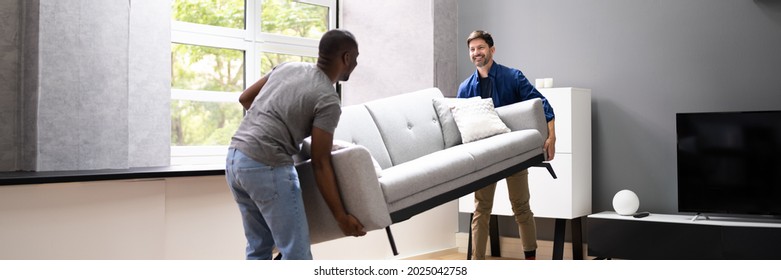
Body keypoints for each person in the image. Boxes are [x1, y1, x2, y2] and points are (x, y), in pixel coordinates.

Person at [225, 29, 366, 260]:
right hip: (267, 165)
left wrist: (275, 123)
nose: (356, 63)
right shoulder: (327, 98)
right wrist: (341, 217)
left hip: (235, 160)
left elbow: (245, 98)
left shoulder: (288, 67)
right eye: (356, 57)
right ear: (347, 57)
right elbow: (321, 163)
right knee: (296, 255)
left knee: (258, 248)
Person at [458, 30, 556, 260]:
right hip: (484, 155)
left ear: (492, 50)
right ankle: (476, 263)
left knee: (521, 207)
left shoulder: (513, 77)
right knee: (481, 210)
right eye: (472, 49)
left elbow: (543, 104)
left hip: (514, 153)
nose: (476, 53)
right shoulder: (464, 89)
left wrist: (552, 137)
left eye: (480, 48)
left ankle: (530, 259)